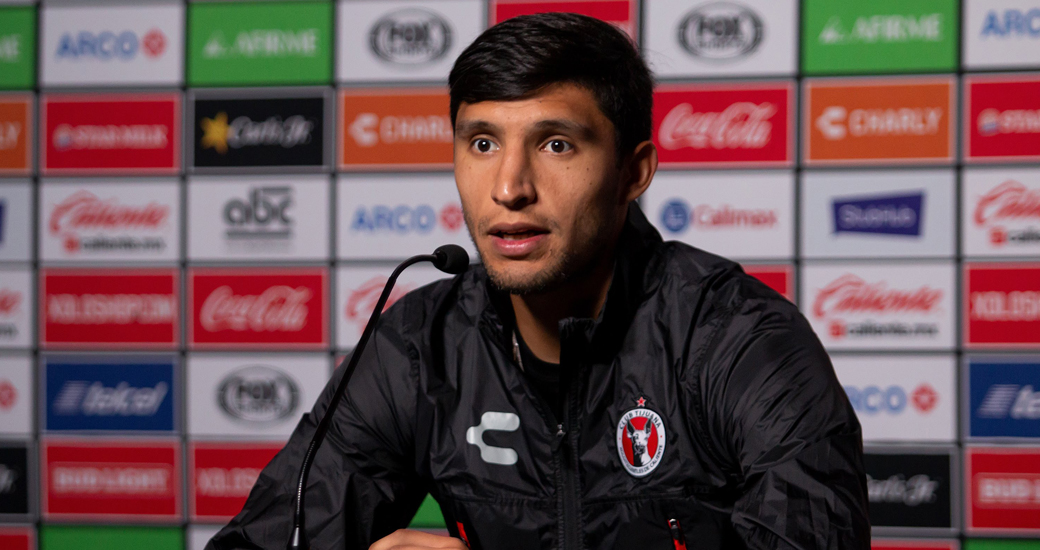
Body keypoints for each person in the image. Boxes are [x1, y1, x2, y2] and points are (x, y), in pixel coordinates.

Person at [208, 12, 869, 550]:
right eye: (483, 143)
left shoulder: (738, 340)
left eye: (557, 144)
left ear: (633, 173)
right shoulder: (420, 344)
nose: (509, 188)